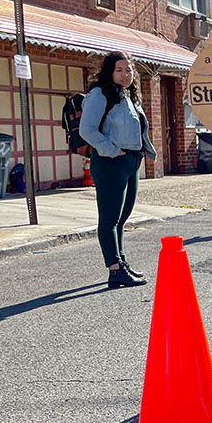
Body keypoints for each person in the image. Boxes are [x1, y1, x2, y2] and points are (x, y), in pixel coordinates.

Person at [79, 51, 156, 288]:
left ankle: (121, 262)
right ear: (109, 71)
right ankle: (114, 269)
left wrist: (142, 151)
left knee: (122, 218)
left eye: (129, 70)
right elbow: (87, 130)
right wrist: (113, 150)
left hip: (130, 161)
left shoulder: (129, 96)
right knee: (109, 219)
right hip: (111, 161)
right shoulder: (99, 95)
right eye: (119, 70)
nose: (125, 74)